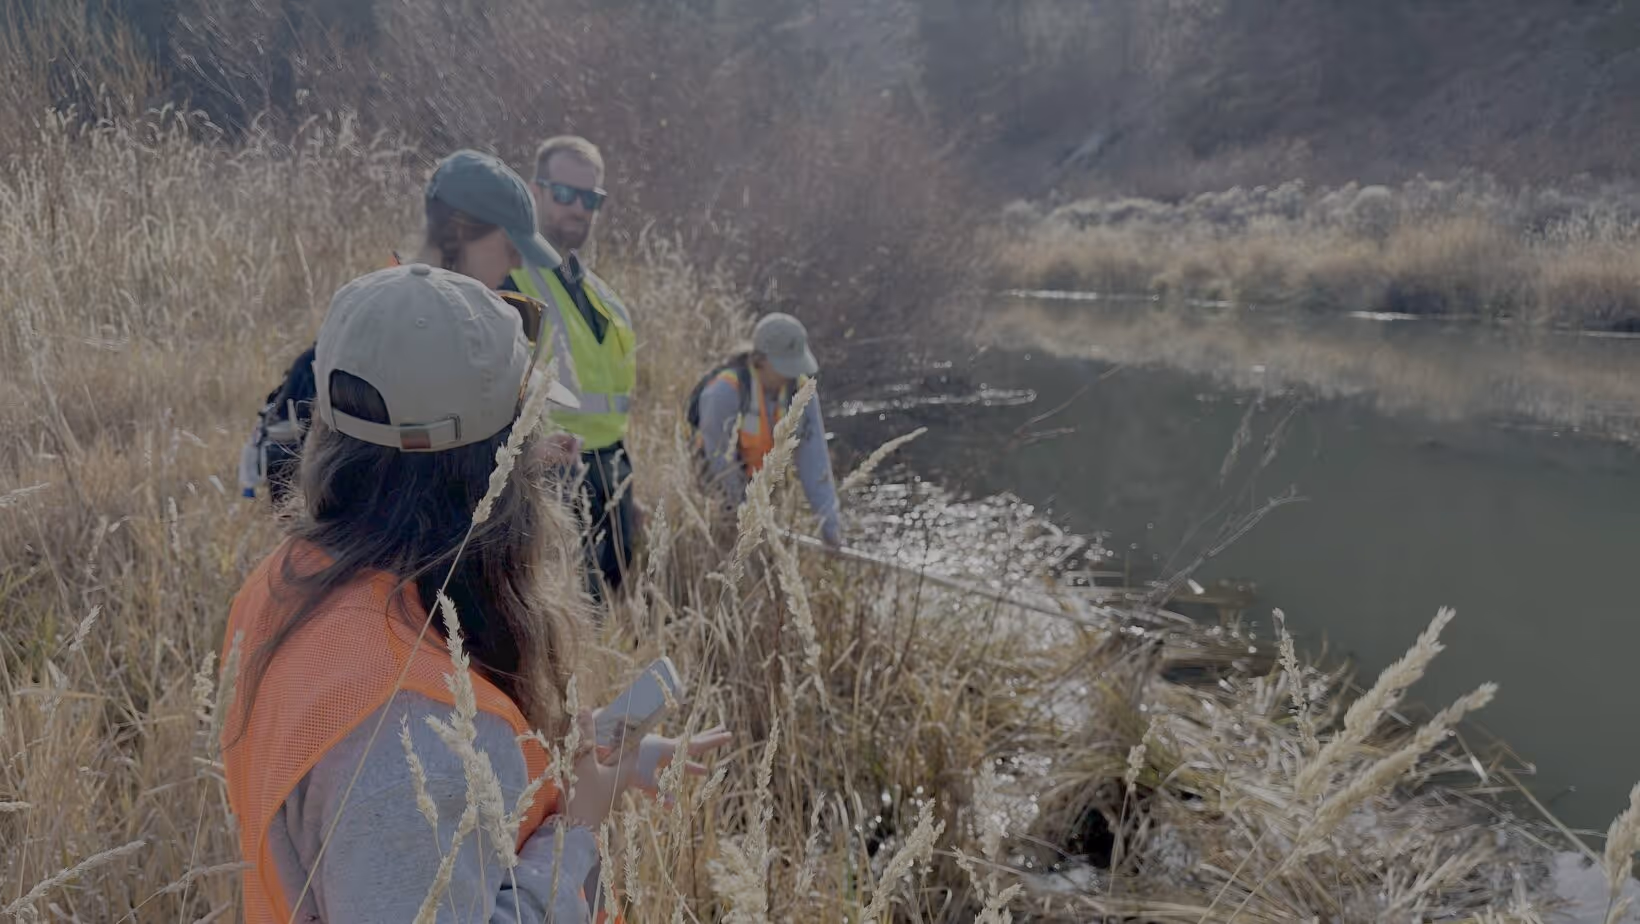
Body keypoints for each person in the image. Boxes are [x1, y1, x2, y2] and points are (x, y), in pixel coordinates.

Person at [220, 264, 730, 922]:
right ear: (492, 471)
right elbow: (406, 798)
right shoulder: (414, 733)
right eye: (527, 432)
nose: (552, 453)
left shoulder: (293, 582)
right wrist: (576, 827)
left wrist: (570, 770)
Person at [236, 148, 575, 505]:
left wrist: (521, 458)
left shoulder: (478, 338)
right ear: (459, 230)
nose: (519, 262)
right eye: (510, 246)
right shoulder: (362, 342)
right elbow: (363, 497)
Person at [501, 136, 641, 601]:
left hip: (610, 467)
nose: (578, 209)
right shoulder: (508, 277)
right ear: (535, 191)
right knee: (557, 610)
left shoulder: (602, 293)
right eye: (565, 194)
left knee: (602, 604)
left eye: (590, 198)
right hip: (552, 467)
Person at [687, 313, 843, 548]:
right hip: (715, 495)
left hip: (763, 490)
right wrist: (745, 516)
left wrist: (830, 528)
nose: (791, 373)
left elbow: (816, 463)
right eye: (784, 365)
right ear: (760, 360)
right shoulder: (723, 393)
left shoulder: (802, 393)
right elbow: (720, 463)